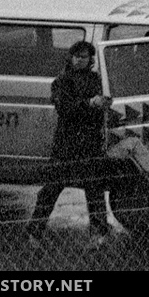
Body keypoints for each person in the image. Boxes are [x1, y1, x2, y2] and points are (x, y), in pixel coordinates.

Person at [27, 41, 113, 245]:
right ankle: (34, 232)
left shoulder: (96, 80)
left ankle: (99, 234)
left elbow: (105, 103)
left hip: (91, 143)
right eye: (76, 56)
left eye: (83, 56)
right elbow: (65, 108)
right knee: (51, 188)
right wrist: (90, 103)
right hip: (67, 143)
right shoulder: (62, 81)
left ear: (91, 59)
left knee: (95, 189)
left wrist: (104, 103)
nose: (79, 59)